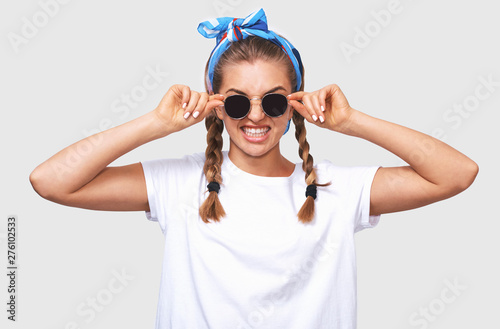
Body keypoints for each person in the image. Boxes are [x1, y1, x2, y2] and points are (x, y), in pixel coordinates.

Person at [29, 8, 478, 329]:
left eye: (276, 100)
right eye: (240, 101)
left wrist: (353, 121)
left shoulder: (336, 188)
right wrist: (155, 124)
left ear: (295, 107)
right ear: (218, 107)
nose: (257, 117)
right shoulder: (181, 182)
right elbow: (50, 181)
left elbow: (456, 173)